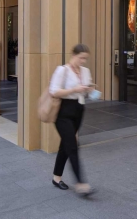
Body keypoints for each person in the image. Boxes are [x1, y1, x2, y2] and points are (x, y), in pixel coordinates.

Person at [49, 44, 95, 196]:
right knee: (73, 146)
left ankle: (56, 178)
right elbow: (54, 91)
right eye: (81, 58)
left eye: (85, 59)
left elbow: (86, 90)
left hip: (79, 110)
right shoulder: (62, 70)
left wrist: (90, 90)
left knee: (66, 145)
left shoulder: (85, 71)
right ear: (73, 55)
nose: (83, 61)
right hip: (63, 112)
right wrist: (74, 89)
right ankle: (81, 183)